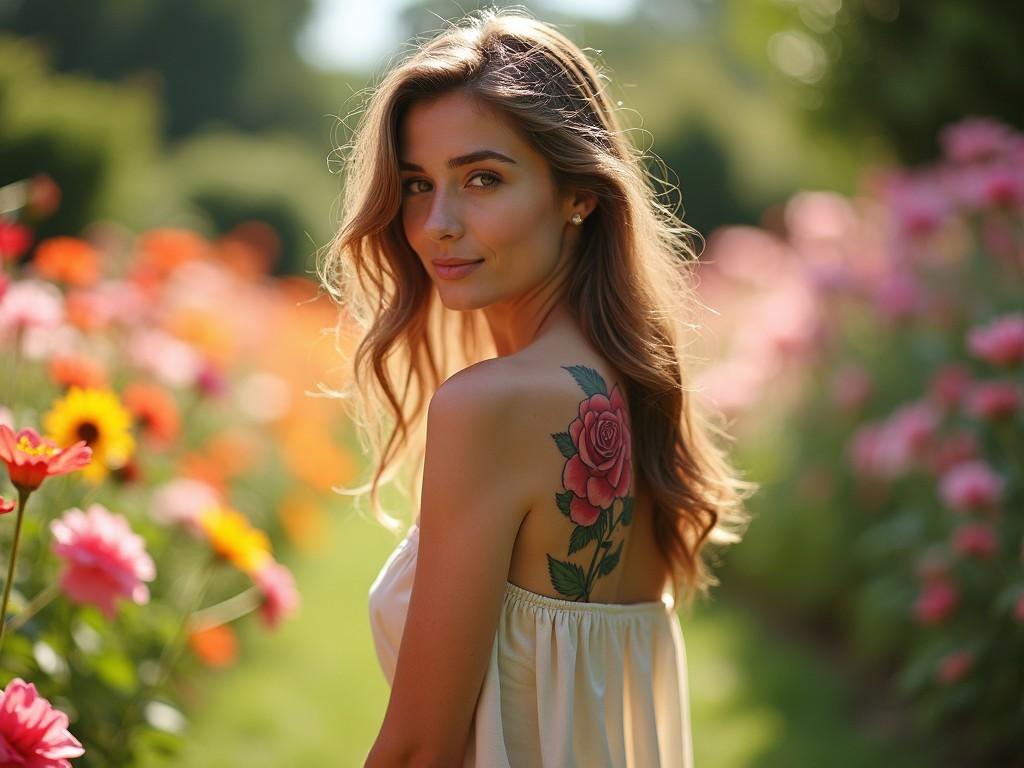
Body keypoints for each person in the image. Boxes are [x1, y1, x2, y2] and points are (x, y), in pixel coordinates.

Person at [316, 8, 755, 766]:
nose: (437, 224)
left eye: (483, 178)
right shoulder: (636, 386)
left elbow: (422, 747)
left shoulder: (493, 404)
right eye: (419, 184)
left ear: (578, 193)